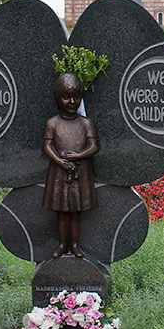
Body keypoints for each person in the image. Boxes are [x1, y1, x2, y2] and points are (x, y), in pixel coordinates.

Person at [43, 73, 99, 259]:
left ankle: (74, 245)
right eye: (66, 97)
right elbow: (47, 146)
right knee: (61, 212)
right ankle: (62, 244)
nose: (72, 101)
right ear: (57, 98)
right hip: (59, 173)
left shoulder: (86, 123)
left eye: (76, 97)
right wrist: (60, 162)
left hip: (79, 172)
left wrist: (77, 156)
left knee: (75, 212)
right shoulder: (52, 123)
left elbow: (93, 147)